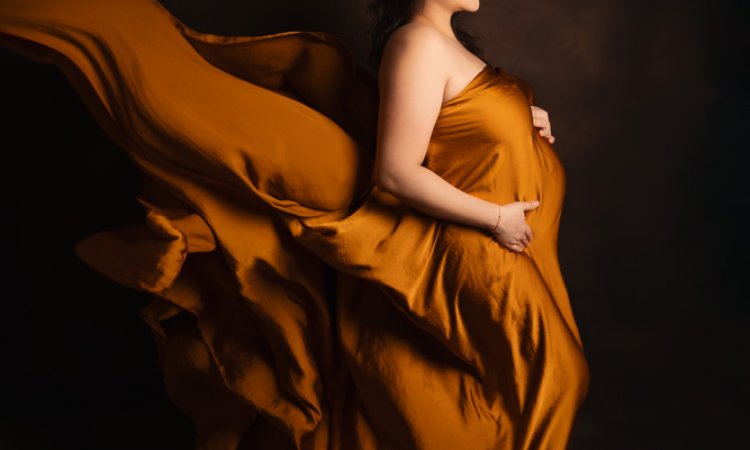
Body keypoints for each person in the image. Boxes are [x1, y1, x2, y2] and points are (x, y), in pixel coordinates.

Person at [0, 0, 590, 449]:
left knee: (524, 389)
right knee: (555, 377)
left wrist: (518, 117)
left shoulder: (448, 47)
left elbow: (455, 132)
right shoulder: (417, 44)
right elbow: (395, 172)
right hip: (476, 242)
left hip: (513, 242)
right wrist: (495, 218)